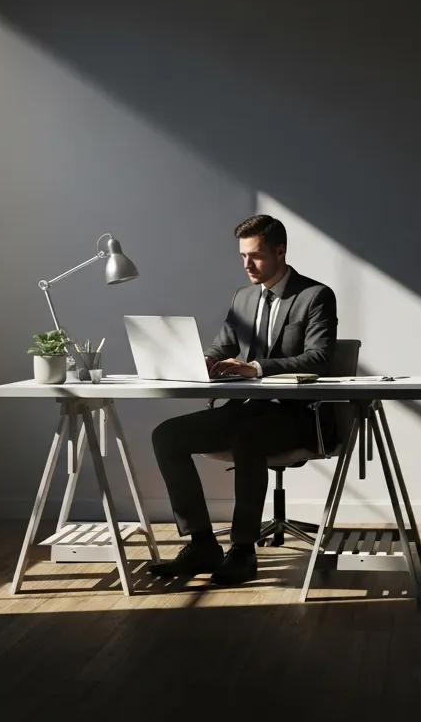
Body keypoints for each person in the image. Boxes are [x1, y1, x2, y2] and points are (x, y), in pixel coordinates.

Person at [148, 214, 338, 585]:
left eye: (256, 256)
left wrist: (256, 368)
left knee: (247, 437)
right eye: (242, 257)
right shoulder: (244, 297)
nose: (247, 265)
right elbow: (222, 345)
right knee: (166, 435)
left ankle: (242, 550)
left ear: (281, 251)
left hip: (296, 417)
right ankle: (202, 544)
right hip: (245, 410)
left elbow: (320, 358)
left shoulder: (315, 296)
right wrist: (203, 360)